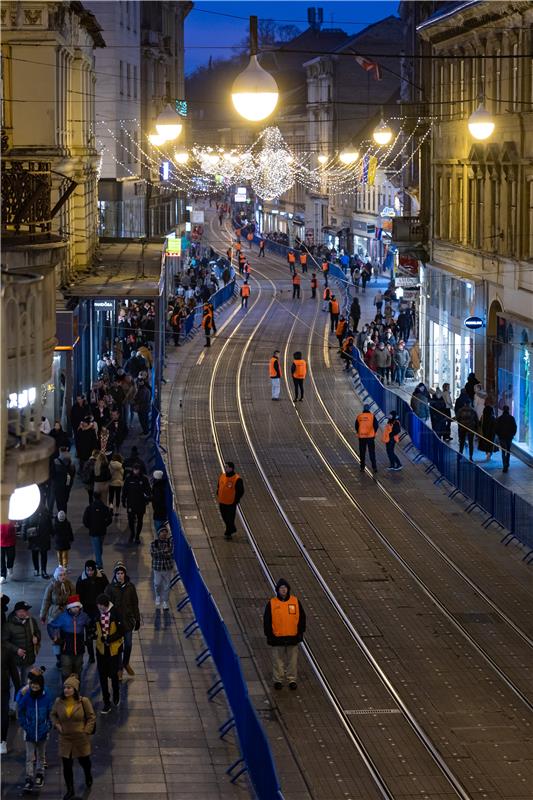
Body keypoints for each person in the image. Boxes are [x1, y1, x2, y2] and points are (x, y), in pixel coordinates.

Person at [51, 674, 95, 798]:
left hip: (80, 737)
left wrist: (86, 731)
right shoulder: (58, 701)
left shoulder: (83, 701)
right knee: (67, 765)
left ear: (75, 689)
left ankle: (88, 775)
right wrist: (57, 724)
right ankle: (70, 789)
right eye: (65, 687)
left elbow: (91, 717)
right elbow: (53, 714)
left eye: (70, 687)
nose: (66, 690)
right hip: (65, 737)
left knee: (84, 761)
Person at [263, 578, 306, 690]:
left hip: (293, 637)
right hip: (277, 638)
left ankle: (292, 680)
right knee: (277, 661)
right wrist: (269, 635)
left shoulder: (295, 601)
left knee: (292, 661)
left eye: (285, 588)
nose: (283, 590)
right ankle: (278, 680)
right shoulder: (272, 603)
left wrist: (300, 633)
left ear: (288, 589)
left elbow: (302, 618)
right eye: (281, 588)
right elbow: (267, 621)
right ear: (277, 590)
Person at [16, 671, 53, 792]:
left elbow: (51, 713)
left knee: (41, 756)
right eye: (33, 686)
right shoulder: (27, 697)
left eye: (36, 687)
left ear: (41, 686)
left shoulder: (47, 697)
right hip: (29, 732)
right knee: (29, 757)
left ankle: (39, 774)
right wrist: (25, 725)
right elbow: (20, 711)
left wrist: (48, 726)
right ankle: (29, 778)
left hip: (42, 732)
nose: (34, 689)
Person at [105, 562, 140, 677]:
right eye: (118, 573)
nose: (120, 575)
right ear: (115, 574)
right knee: (118, 647)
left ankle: (126, 663)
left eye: (122, 573)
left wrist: (137, 619)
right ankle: (119, 668)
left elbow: (135, 603)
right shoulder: (110, 588)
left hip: (128, 621)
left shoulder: (130, 587)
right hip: (116, 623)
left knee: (128, 644)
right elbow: (107, 606)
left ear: (125, 574)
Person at [47, 596, 91, 680]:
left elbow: (90, 624)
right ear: (70, 607)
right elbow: (50, 626)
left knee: (78, 672)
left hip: (79, 650)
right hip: (66, 650)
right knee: (66, 672)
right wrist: (53, 637)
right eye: (74, 607)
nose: (76, 609)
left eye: (78, 607)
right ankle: (65, 691)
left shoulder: (84, 616)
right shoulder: (63, 617)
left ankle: (76, 691)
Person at [40, 566, 75, 669]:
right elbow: (46, 601)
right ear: (56, 576)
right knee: (56, 640)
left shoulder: (70, 585)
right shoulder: (51, 586)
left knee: (67, 638)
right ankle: (59, 659)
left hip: (67, 615)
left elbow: (74, 599)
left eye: (64, 574)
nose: (63, 577)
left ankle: (67, 657)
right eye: (60, 575)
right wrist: (43, 615)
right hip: (55, 615)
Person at [94, 594, 125, 712]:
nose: (100, 608)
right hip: (101, 650)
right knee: (102, 676)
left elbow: (122, 630)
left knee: (113, 674)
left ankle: (116, 694)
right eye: (99, 606)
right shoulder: (98, 614)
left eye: (102, 606)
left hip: (113, 650)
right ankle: (106, 701)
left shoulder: (115, 613)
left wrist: (109, 639)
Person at [76, 560, 108, 664]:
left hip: (99, 610)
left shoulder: (101, 578)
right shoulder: (81, 580)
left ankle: (100, 653)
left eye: (91, 570)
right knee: (88, 635)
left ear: (95, 570)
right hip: (86, 611)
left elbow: (107, 590)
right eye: (87, 570)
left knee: (100, 633)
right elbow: (78, 595)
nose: (89, 572)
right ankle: (91, 656)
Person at [3, 601, 42, 686]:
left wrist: (37, 638)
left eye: (25, 611)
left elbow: (37, 632)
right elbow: (4, 642)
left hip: (29, 658)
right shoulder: (9, 625)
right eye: (21, 611)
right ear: (16, 612)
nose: (23, 613)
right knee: (16, 683)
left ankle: (24, 698)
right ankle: (17, 698)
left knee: (27, 682)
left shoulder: (31, 621)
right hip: (15, 660)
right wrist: (16, 650)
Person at [82, 492, 113, 568]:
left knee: (97, 549)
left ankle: (99, 566)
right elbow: (109, 519)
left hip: (93, 531)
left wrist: (90, 527)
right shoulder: (105, 508)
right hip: (102, 531)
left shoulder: (89, 508)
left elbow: (85, 520)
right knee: (99, 547)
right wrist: (105, 525)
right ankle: (98, 562)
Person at [122, 463, 151, 543]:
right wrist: (123, 500)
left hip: (141, 503)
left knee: (140, 520)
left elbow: (148, 490)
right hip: (131, 503)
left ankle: (137, 536)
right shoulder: (128, 479)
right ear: (133, 469)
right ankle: (132, 533)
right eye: (135, 469)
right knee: (130, 519)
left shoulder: (144, 479)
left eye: (137, 469)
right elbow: (125, 490)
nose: (136, 471)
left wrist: (147, 498)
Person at [24, 501, 52, 579]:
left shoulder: (45, 512)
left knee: (43, 554)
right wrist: (24, 535)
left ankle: (43, 570)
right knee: (35, 553)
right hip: (34, 536)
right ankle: (36, 569)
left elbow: (49, 523)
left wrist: (52, 532)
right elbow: (25, 523)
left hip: (43, 536)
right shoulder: (30, 511)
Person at [217, 461, 244, 540]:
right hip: (222, 501)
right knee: (224, 517)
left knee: (230, 518)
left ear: (231, 468)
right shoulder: (222, 476)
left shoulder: (237, 479)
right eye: (225, 467)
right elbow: (219, 485)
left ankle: (228, 533)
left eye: (227, 467)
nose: (225, 468)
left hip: (231, 503)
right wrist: (218, 492)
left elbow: (241, 491)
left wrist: (236, 500)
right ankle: (232, 529)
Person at [150, 525, 174, 610]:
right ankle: (158, 596)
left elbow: (171, 554)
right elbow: (153, 554)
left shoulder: (170, 543)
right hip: (157, 568)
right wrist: (163, 552)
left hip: (167, 567)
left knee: (167, 585)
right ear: (158, 533)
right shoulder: (154, 543)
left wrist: (160, 553)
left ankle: (165, 601)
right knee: (157, 583)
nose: (164, 533)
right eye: (162, 532)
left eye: (165, 532)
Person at [50, 448, 76, 514]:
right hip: (67, 484)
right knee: (64, 501)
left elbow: (52, 474)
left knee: (59, 501)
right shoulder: (70, 462)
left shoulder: (56, 462)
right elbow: (72, 473)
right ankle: (64, 514)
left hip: (58, 485)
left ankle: (60, 515)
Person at [355, 404, 378, 472]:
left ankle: (362, 467)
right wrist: (373, 433)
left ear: (364, 409)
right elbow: (376, 426)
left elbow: (356, 426)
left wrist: (359, 432)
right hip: (370, 437)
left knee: (362, 453)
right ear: (369, 409)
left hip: (362, 437)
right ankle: (374, 467)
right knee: (372, 452)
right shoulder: (372, 416)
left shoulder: (359, 416)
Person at [494, 405, 517, 473]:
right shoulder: (511, 418)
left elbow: (496, 428)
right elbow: (514, 427)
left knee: (503, 451)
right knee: (508, 450)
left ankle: (504, 464)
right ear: (508, 410)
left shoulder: (499, 418)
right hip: (509, 437)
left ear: (503, 410)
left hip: (502, 437)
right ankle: (507, 463)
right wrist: (513, 434)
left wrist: (498, 434)